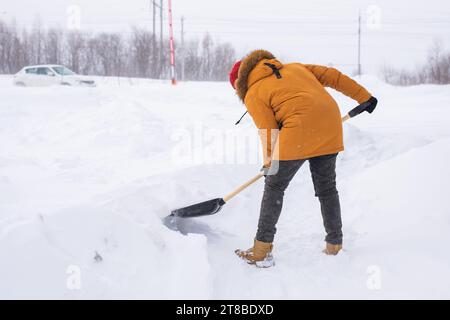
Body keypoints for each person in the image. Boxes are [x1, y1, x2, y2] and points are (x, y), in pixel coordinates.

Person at [229, 50, 377, 268]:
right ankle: (334, 244)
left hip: (297, 132)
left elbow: (268, 129)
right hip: (330, 126)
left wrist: (271, 162)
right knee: (327, 188)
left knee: (274, 188)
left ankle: (261, 251)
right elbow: (332, 76)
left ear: (240, 83)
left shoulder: (253, 93)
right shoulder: (296, 67)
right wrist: (364, 96)